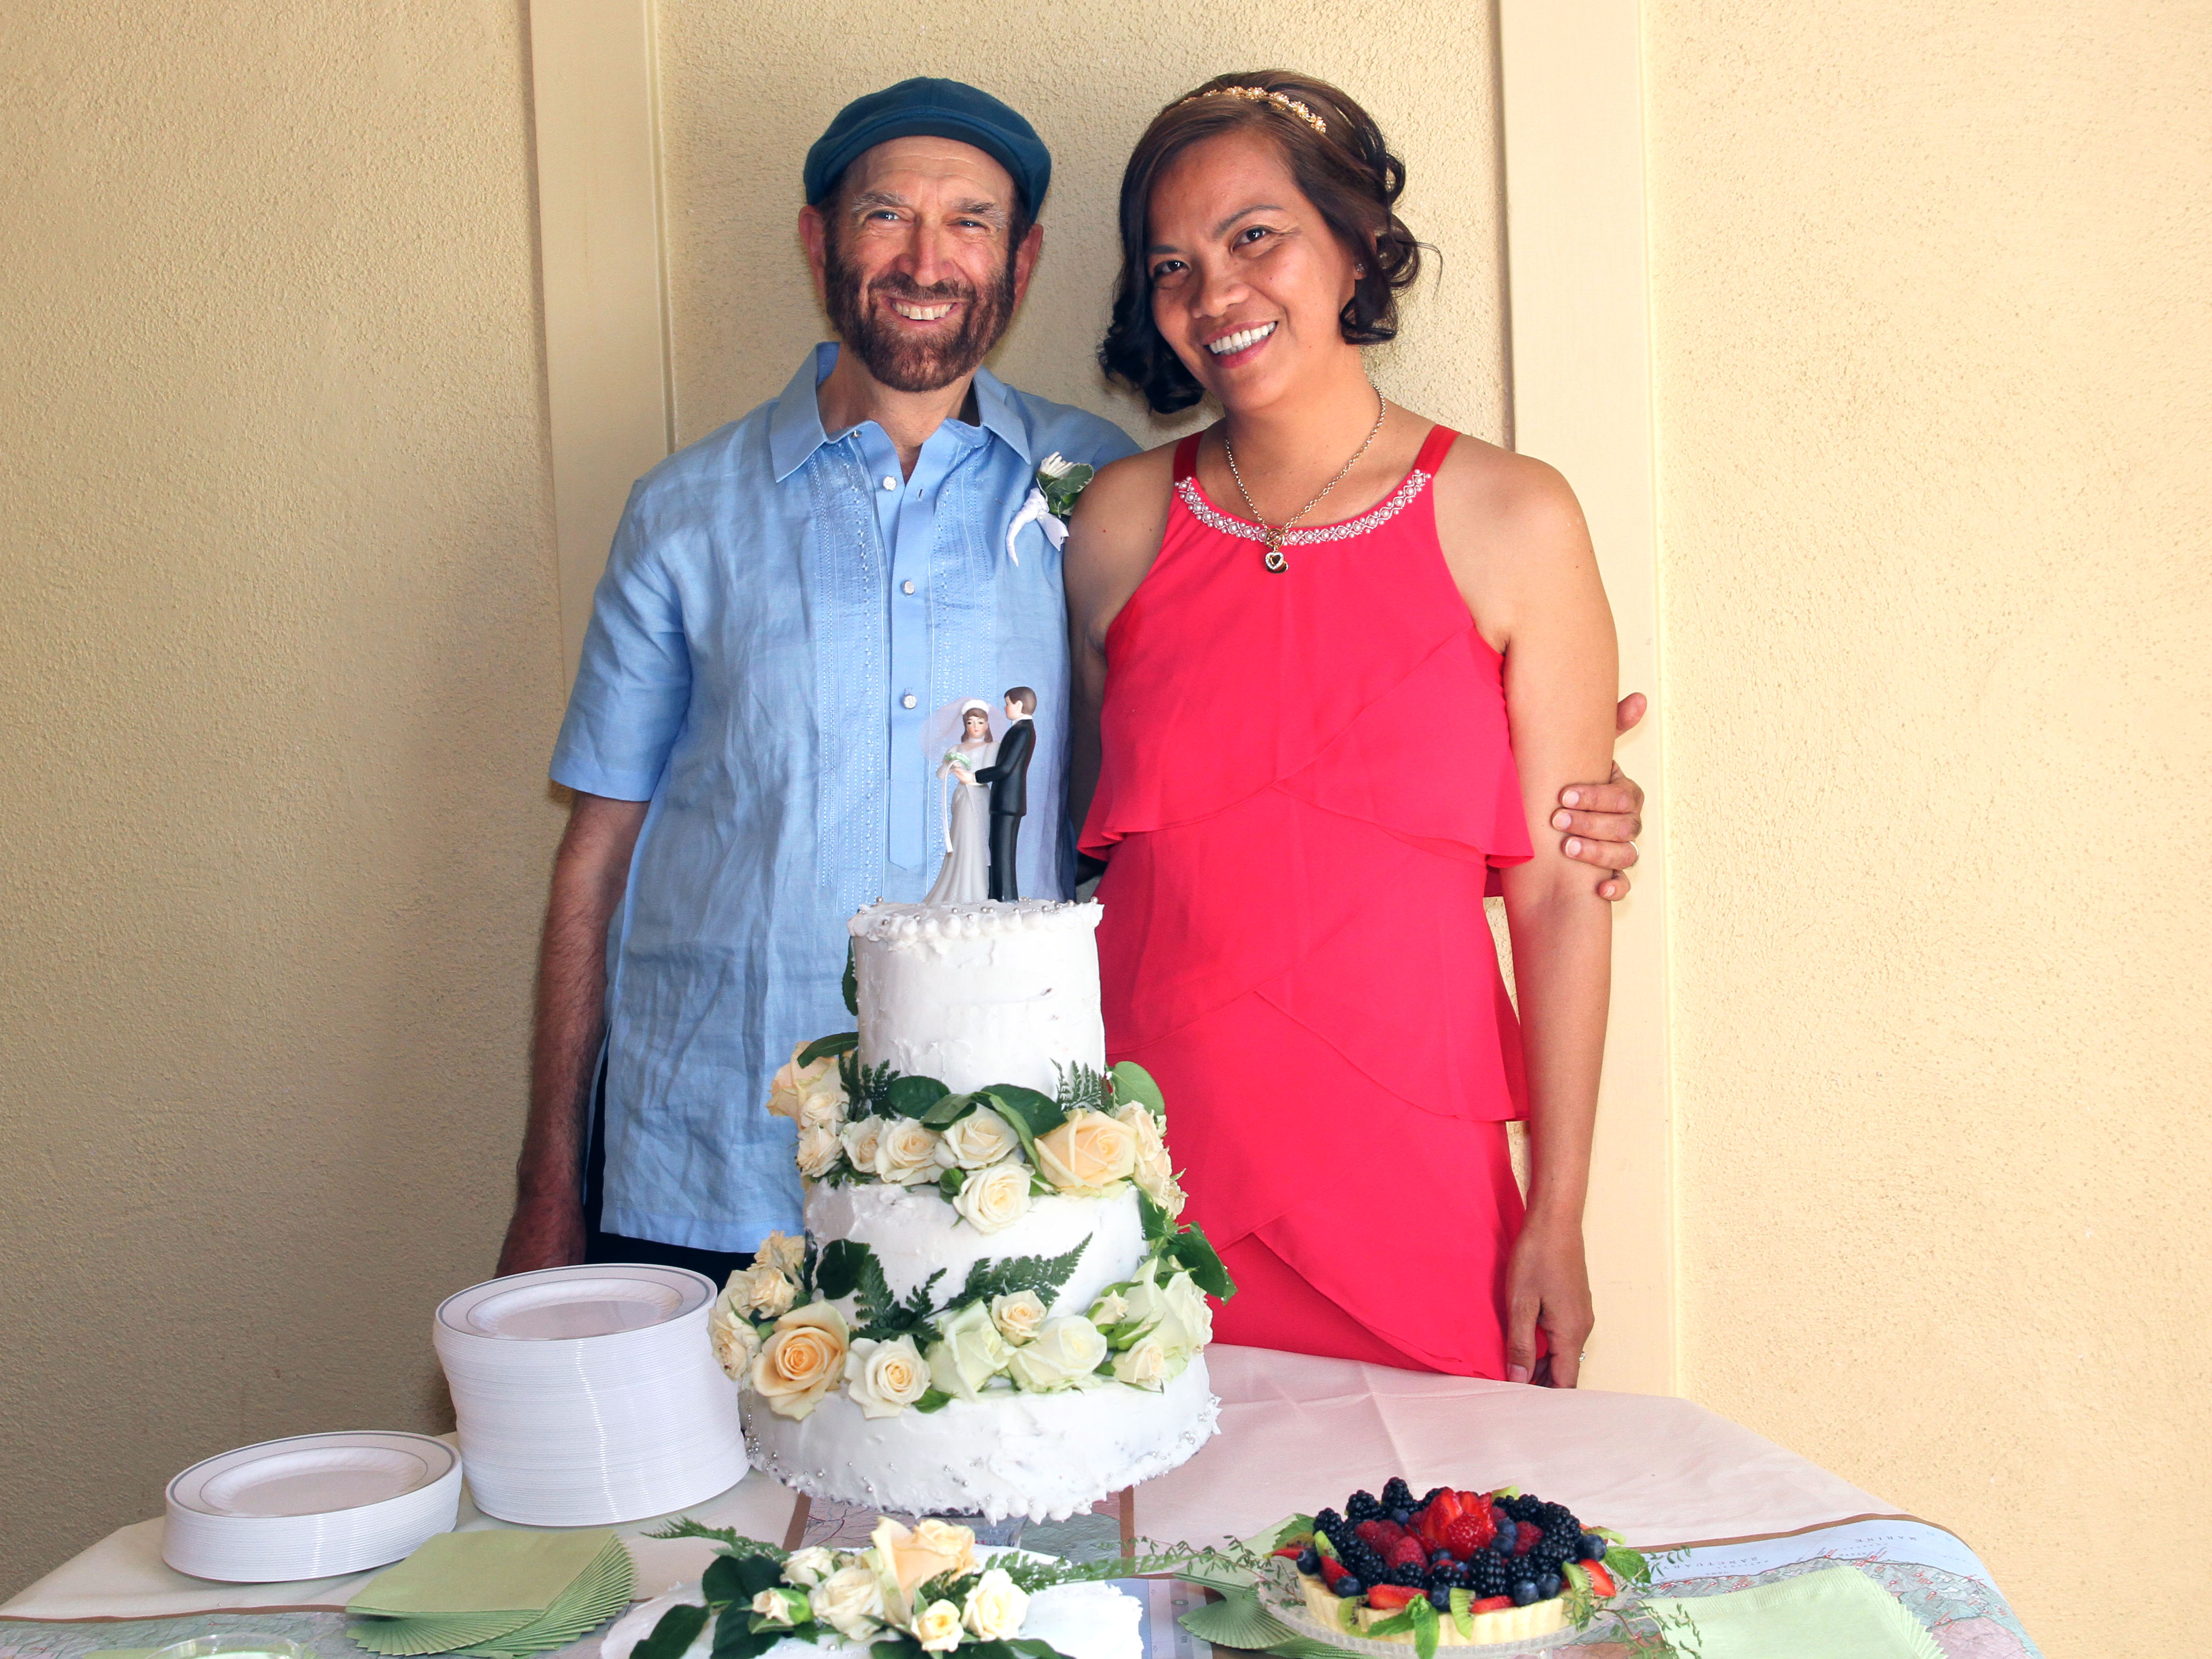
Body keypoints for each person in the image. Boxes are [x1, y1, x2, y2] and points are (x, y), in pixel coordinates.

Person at [498, 77, 1646, 1288]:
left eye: (971, 221)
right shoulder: (687, 513)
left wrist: (1543, 778)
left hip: (995, 1179)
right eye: (885, 214)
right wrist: (547, 1189)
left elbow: (1222, 746)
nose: (926, 258)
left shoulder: (1093, 492)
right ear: (816, 240)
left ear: (1024, 259)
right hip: (704, 1160)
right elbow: (597, 857)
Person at [1067, 73, 1614, 1385]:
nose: (1214, 293)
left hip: (1415, 1183)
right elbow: (1093, 861)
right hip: (1145, 1188)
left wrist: (1558, 1214)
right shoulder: (1116, 525)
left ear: (1356, 246)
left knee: (1424, 1511)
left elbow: (1558, 894)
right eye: (1171, 265)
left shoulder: (1514, 516)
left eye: (1254, 236)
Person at [925, 701, 996, 905]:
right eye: (970, 723)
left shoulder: (992, 747)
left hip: (978, 797)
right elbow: (941, 775)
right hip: (961, 797)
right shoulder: (956, 748)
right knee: (960, 837)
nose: (975, 727)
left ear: (987, 724)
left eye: (980, 722)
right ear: (965, 725)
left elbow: (987, 772)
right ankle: (957, 885)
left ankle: (977, 889)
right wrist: (950, 764)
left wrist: (967, 774)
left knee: (977, 838)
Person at [972, 686, 1038, 900]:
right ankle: (996, 895)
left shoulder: (1022, 731)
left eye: (1008, 703)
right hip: (1006, 801)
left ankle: (1005, 898)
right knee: (997, 851)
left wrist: (975, 777)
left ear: (1019, 705)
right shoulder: (1020, 729)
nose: (1005, 707)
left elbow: (1005, 768)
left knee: (1003, 853)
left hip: (1008, 800)